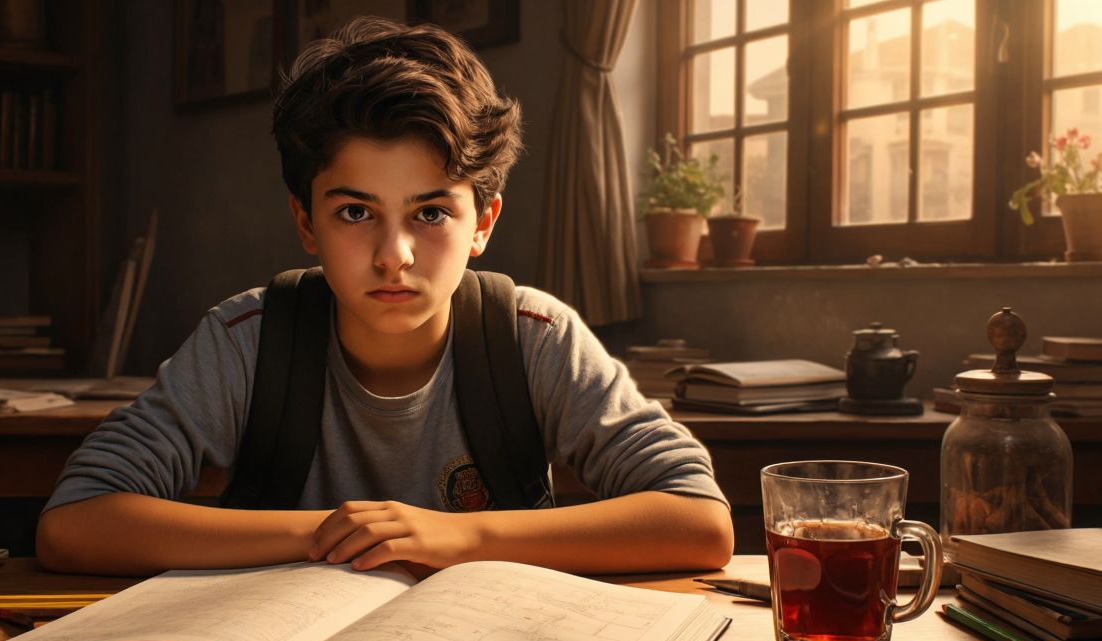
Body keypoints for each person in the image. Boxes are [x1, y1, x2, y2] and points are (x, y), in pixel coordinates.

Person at [36, 16, 732, 577]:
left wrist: (458, 536)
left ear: (483, 224)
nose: (394, 254)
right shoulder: (247, 338)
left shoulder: (533, 335)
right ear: (306, 221)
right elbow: (75, 524)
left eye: (430, 213)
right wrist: (334, 533)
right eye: (354, 212)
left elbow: (699, 522)